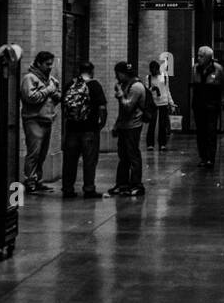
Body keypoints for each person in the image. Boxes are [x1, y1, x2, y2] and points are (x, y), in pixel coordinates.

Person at [61, 60, 107, 199]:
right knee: (89, 161)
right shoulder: (94, 85)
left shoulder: (70, 84)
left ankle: (68, 189)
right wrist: (101, 124)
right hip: (90, 129)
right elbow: (102, 108)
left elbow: (64, 105)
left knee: (69, 161)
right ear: (91, 71)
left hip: (72, 129)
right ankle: (89, 189)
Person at [20, 50, 61, 194]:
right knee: (34, 153)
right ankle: (29, 181)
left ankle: (38, 180)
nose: (50, 67)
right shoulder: (29, 78)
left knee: (42, 154)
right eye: (47, 64)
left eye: (51, 64)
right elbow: (31, 98)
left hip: (47, 119)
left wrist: (55, 92)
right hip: (33, 120)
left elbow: (55, 98)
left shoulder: (49, 79)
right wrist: (49, 89)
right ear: (39, 63)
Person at [108, 61, 146, 197]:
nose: (116, 77)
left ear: (123, 73)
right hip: (125, 126)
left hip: (133, 126)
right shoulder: (126, 85)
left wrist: (120, 95)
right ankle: (122, 184)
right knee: (123, 156)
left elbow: (128, 107)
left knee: (133, 155)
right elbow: (122, 112)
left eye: (117, 74)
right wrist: (117, 125)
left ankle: (136, 185)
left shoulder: (136, 87)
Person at [191, 46, 224, 168]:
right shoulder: (195, 68)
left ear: (208, 58)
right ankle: (203, 157)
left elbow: (222, 87)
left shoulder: (218, 69)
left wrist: (221, 102)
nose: (199, 58)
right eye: (198, 55)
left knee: (211, 132)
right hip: (199, 105)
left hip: (212, 105)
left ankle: (210, 158)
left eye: (201, 56)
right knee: (200, 133)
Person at [146, 59, 174, 151]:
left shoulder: (164, 76)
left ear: (158, 69)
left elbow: (167, 89)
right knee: (152, 123)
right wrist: (152, 89)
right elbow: (147, 91)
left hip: (163, 101)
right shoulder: (148, 78)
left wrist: (171, 102)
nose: (153, 72)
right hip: (153, 102)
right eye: (152, 70)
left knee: (163, 124)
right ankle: (150, 144)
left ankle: (162, 144)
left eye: (155, 70)